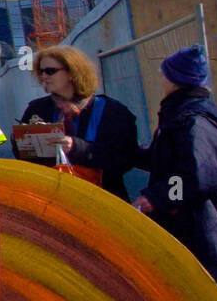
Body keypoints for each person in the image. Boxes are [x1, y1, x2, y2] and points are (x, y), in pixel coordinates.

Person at [132, 45, 217, 294]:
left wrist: (155, 198)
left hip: (207, 237)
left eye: (164, 74)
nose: (161, 79)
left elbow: (197, 175)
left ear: (174, 81)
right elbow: (166, 159)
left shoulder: (196, 120)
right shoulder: (182, 115)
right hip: (195, 232)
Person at [19, 45, 139, 199]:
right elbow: (24, 158)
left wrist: (78, 148)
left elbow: (125, 160)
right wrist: (24, 142)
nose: (44, 77)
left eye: (50, 71)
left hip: (102, 200)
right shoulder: (37, 109)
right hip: (52, 199)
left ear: (72, 73)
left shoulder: (112, 111)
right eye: (41, 71)